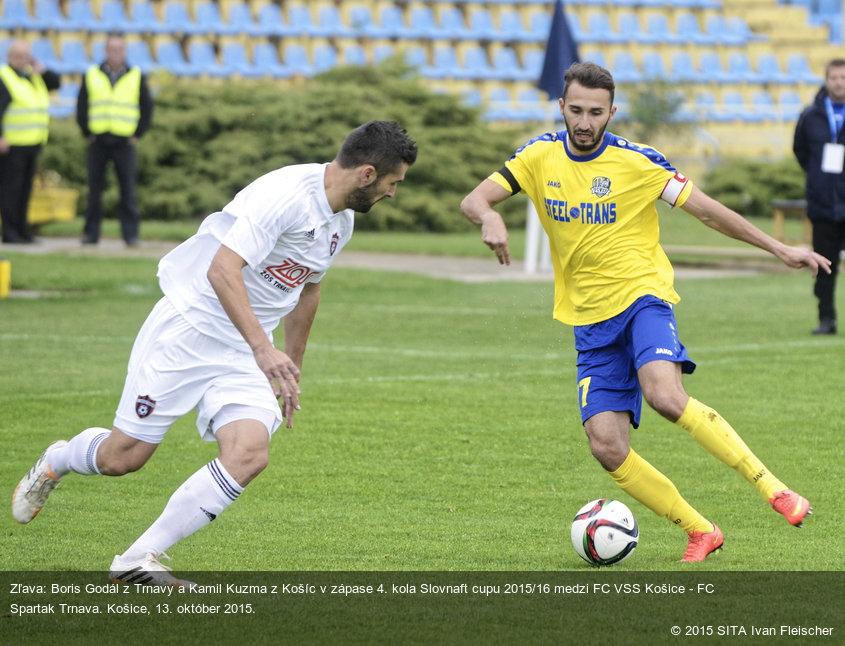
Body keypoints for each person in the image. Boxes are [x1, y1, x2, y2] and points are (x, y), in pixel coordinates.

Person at [12, 120, 418, 585]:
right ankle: (58, 460)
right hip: (189, 330)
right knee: (122, 459)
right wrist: (265, 350)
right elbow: (221, 269)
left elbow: (309, 290)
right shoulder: (285, 195)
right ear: (367, 174)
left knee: (249, 452)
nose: (393, 193)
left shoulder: (340, 220)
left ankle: (135, 560)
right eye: (393, 183)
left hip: (245, 350)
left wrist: (291, 367)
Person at [461, 62, 827, 562]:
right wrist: (490, 215)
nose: (584, 121)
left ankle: (774, 488)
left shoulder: (638, 162)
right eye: (575, 110)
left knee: (665, 396)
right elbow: (474, 198)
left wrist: (779, 248)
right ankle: (702, 530)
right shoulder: (537, 156)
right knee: (606, 446)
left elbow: (706, 210)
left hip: (641, 298)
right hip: (588, 320)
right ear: (561, 108)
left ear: (612, 112)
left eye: (595, 112)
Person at [77, 32, 153, 247]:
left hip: (124, 142)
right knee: (94, 190)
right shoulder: (92, 73)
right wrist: (86, 131)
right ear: (105, 51)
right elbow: (82, 105)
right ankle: (91, 234)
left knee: (128, 190)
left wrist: (137, 133)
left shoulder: (136, 75)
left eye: (119, 49)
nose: (116, 53)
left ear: (125, 51)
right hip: (98, 141)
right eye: (112, 49)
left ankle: (130, 235)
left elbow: (147, 107)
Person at [793, 58, 845, 335]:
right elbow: (800, 151)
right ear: (826, 80)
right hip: (823, 205)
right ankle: (827, 318)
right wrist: (818, 179)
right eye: (834, 77)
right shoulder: (810, 115)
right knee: (824, 265)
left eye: (844, 77)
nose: (839, 82)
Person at [0, 39, 60, 244]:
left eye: (25, 56)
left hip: (32, 144)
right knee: (11, 191)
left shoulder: (32, 76)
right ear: (8, 57)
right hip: (12, 146)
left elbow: (56, 82)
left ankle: (23, 230)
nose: (21, 60)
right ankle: (10, 232)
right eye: (17, 56)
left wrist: (40, 69)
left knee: (25, 190)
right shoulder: (4, 77)